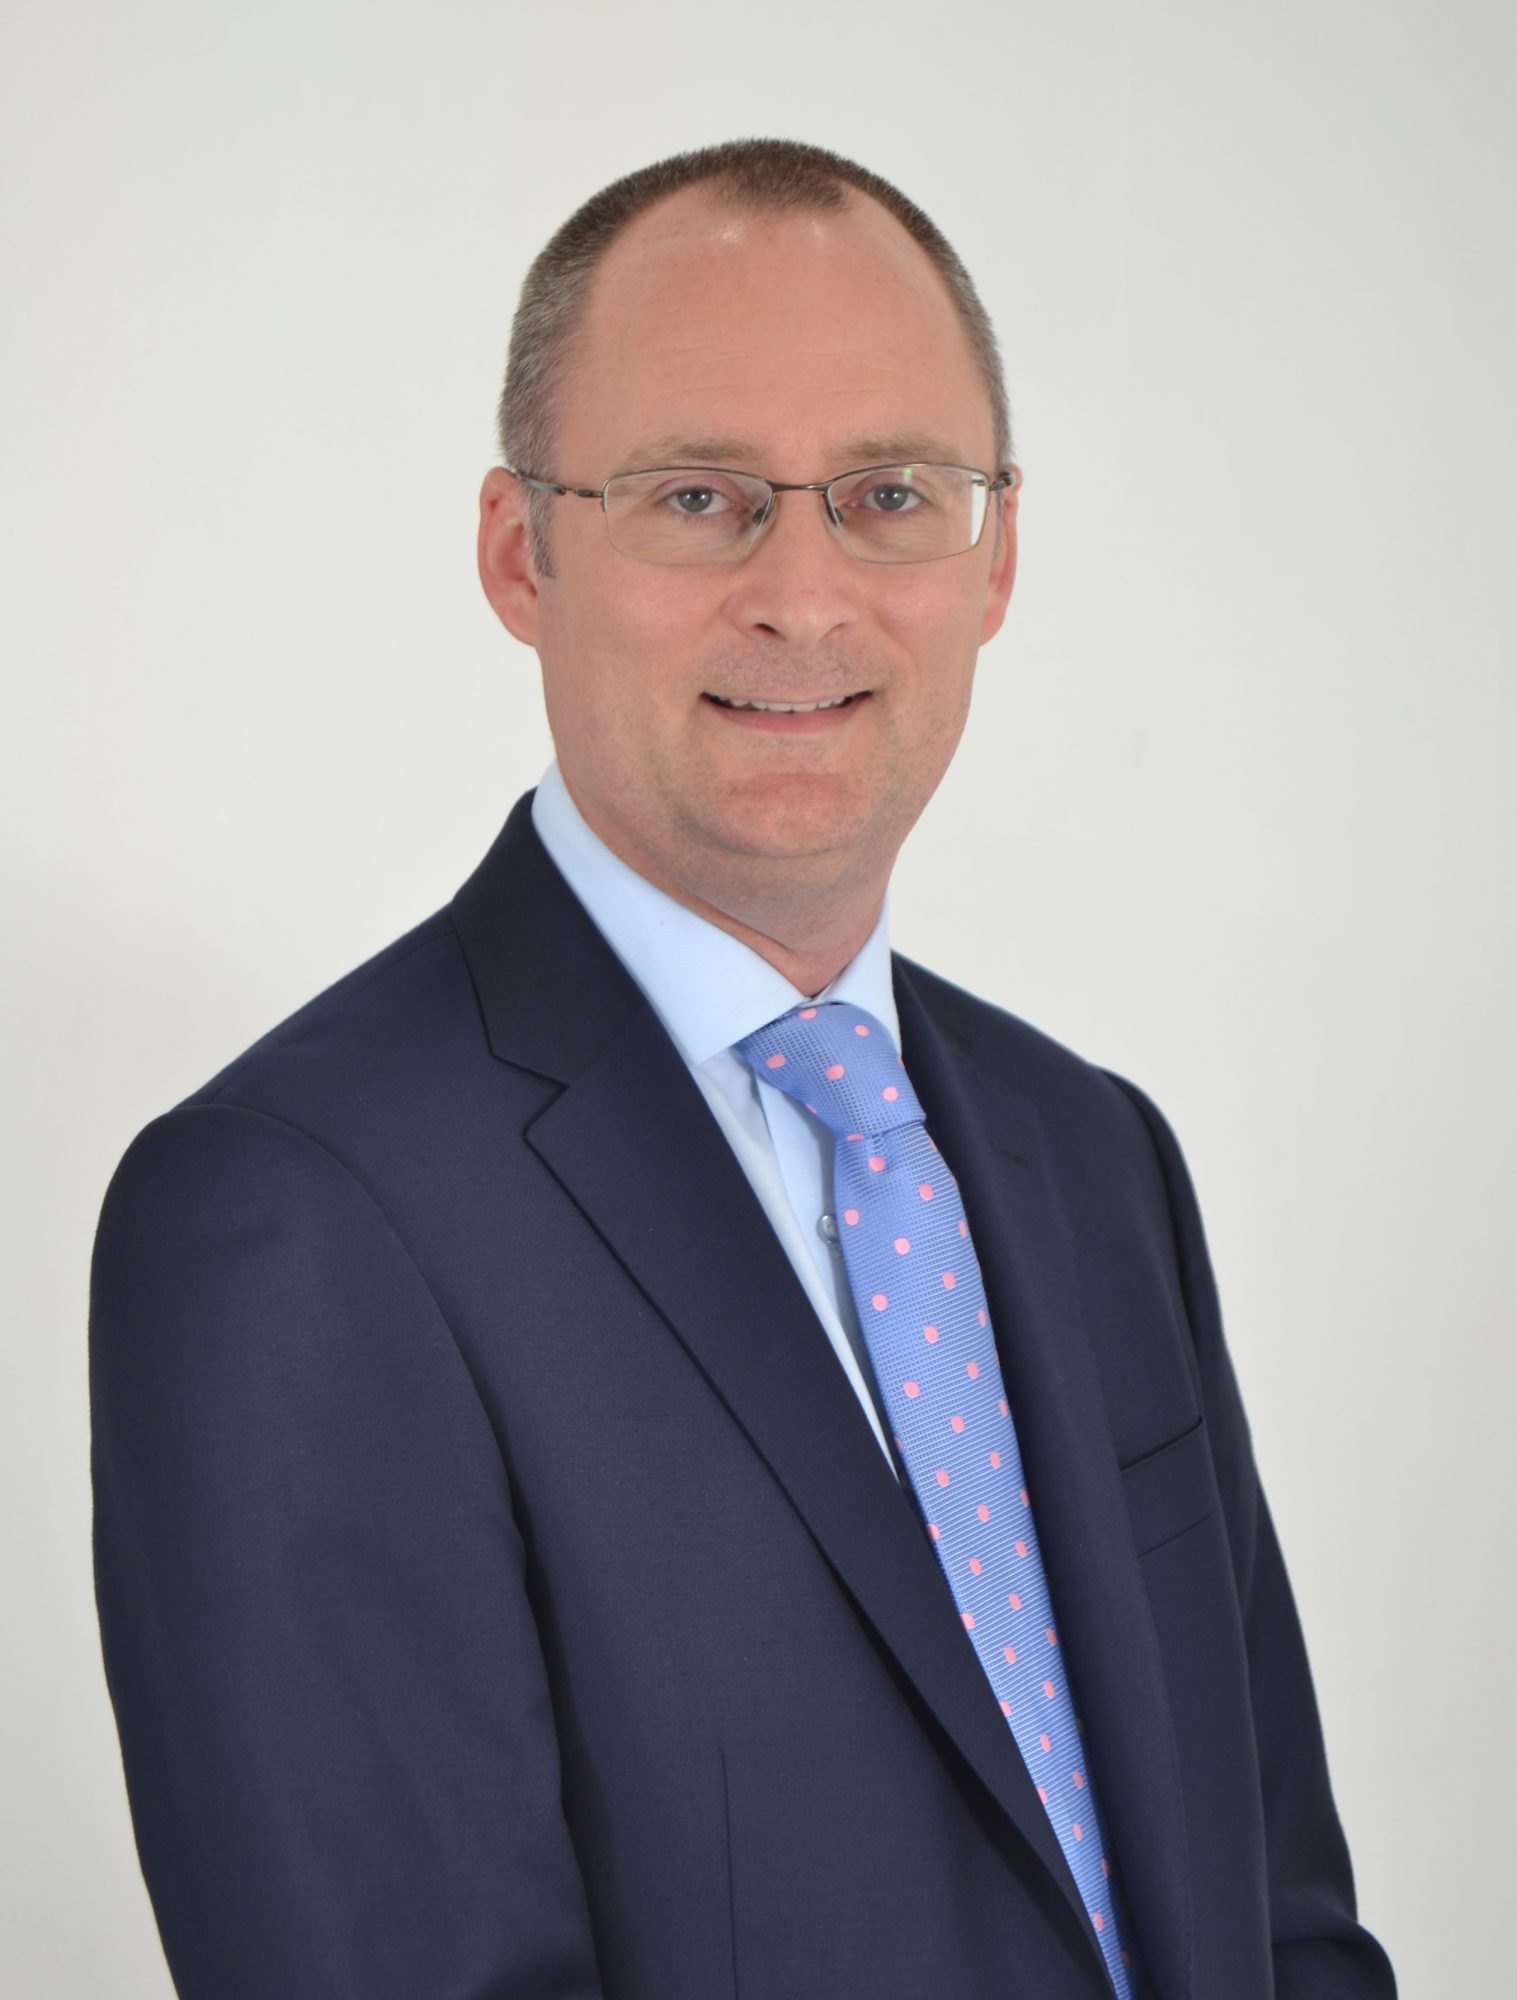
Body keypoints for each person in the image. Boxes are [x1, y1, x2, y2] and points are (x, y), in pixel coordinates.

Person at [89, 139, 1396, 2000]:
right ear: (519, 552)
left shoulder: (1094, 1155)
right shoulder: (296, 1217)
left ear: (996, 555)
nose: (803, 594)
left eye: (889, 495)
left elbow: (1277, 1922)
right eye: (697, 496)